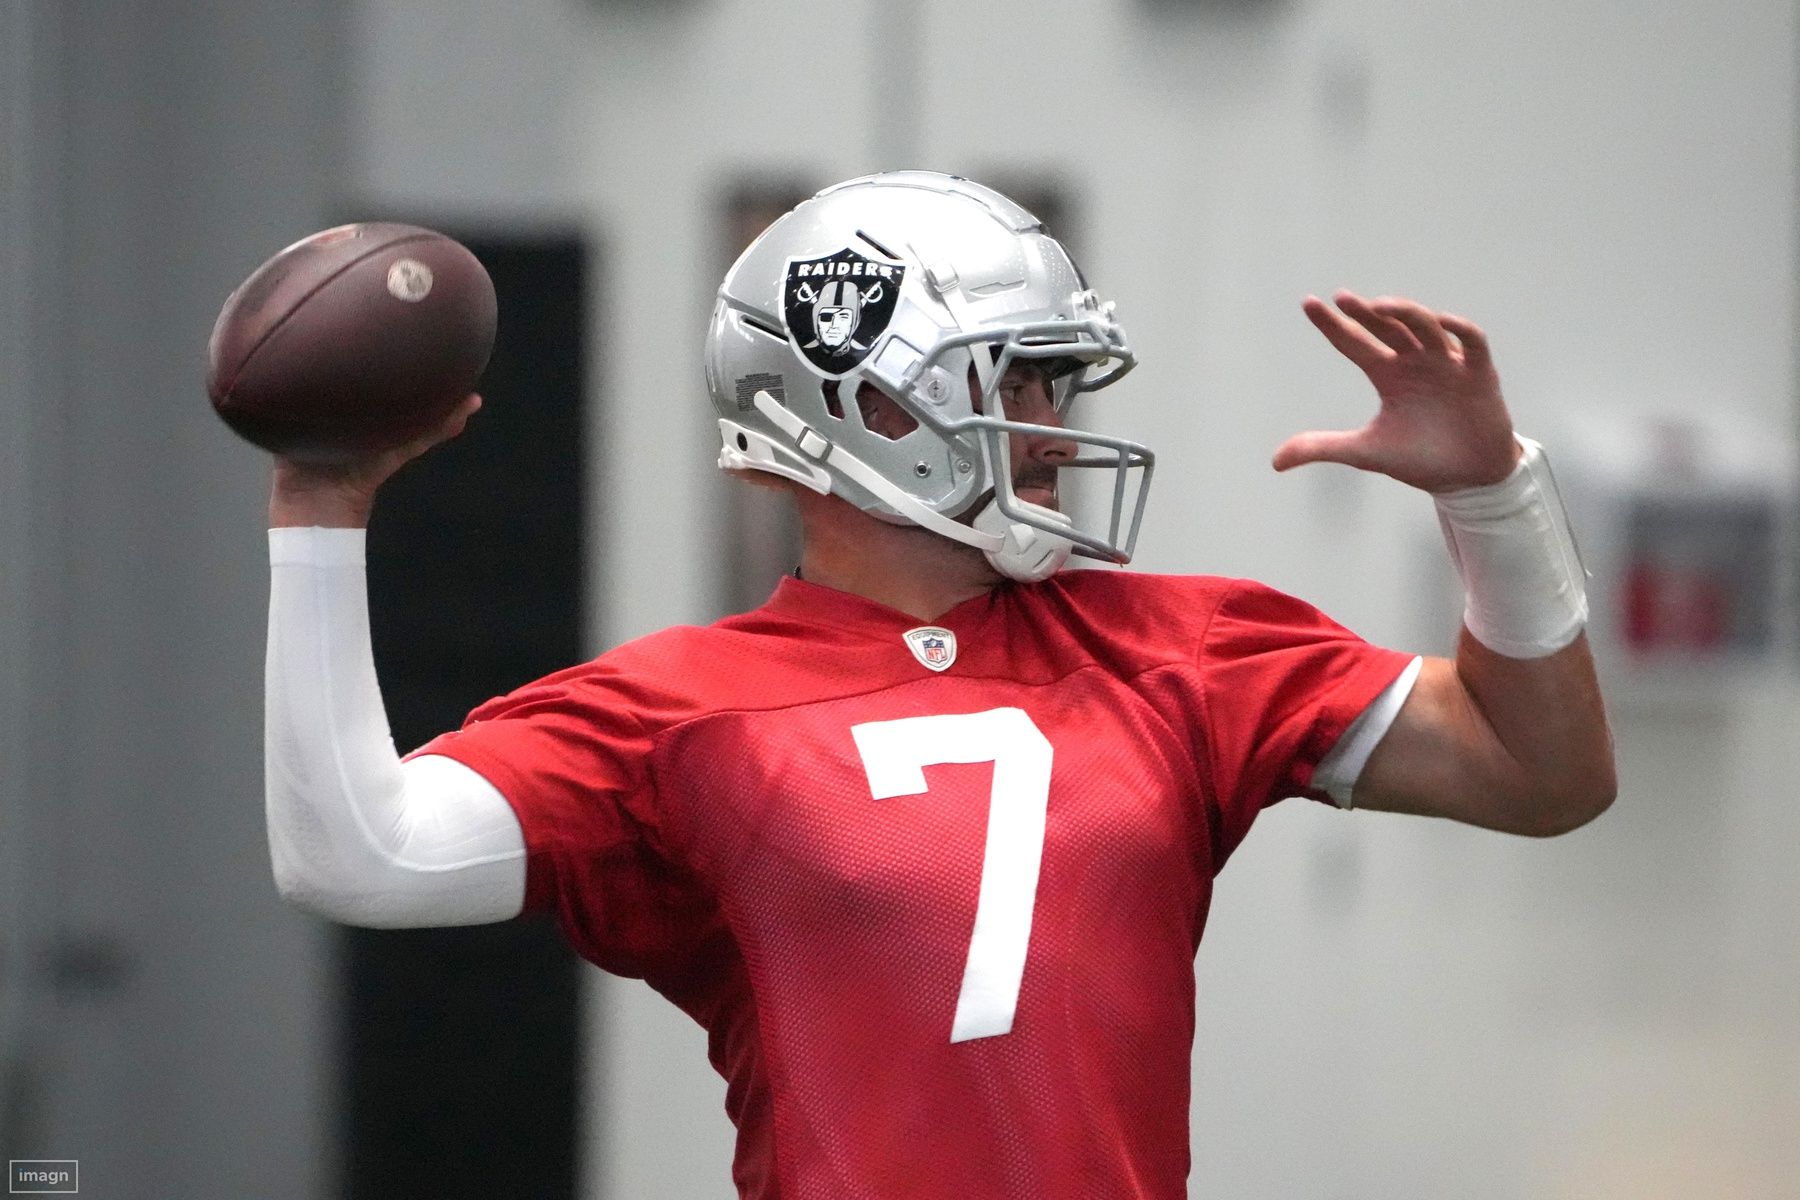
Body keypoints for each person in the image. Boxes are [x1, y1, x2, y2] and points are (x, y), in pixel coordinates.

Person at [262, 171, 1614, 1198]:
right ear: (866, 405)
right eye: (1017, 378)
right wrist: (320, 504)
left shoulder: (1179, 649)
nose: (1054, 424)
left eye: (1057, 380)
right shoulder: (677, 713)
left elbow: (1542, 774)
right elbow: (358, 853)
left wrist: (1494, 497)